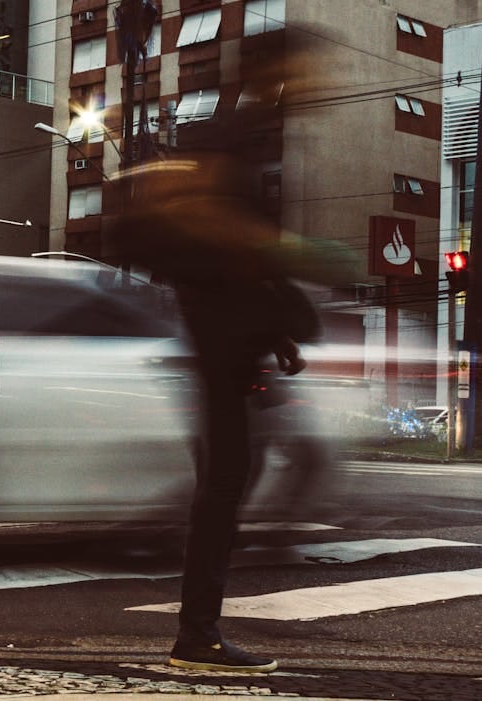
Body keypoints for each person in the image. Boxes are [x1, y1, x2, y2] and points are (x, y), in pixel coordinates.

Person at [111, 156, 320, 673]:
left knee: (219, 499)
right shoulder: (199, 233)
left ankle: (199, 632)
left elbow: (248, 293)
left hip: (232, 377)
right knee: (217, 502)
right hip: (225, 380)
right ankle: (197, 636)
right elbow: (245, 291)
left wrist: (277, 334)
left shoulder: (197, 238)